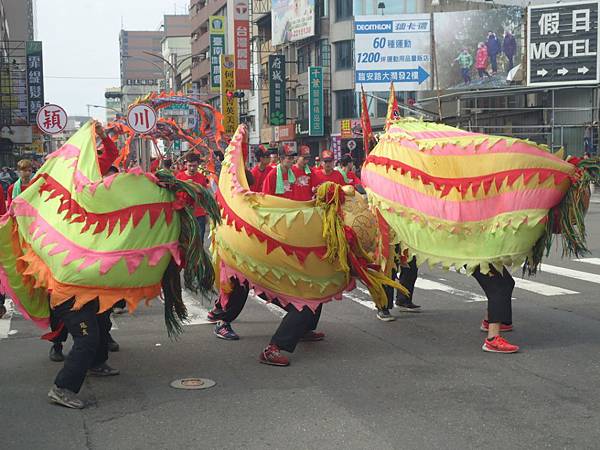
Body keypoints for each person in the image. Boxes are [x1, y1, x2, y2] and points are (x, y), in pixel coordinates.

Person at [48, 123, 123, 409]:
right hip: (70, 288)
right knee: (86, 338)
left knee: (103, 322)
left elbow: (112, 152)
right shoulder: (67, 202)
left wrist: (101, 135)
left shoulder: (95, 205)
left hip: (89, 284)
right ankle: (62, 387)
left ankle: (96, 363)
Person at [176, 153, 210, 244]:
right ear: (185, 164)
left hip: (199, 216)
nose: (192, 168)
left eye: (194, 166)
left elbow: (205, 197)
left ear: (198, 165)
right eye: (190, 166)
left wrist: (206, 213)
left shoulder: (202, 178)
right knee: (185, 243)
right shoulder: (179, 177)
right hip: (184, 214)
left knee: (199, 243)